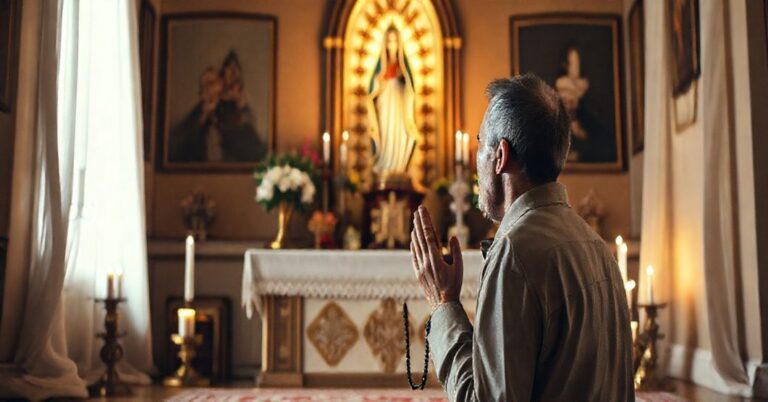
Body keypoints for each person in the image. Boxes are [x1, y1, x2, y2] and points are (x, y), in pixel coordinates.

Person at [410, 74, 634, 401]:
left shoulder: (515, 254)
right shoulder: (598, 248)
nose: (476, 161)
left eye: (479, 142)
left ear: (500, 155)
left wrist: (444, 304)